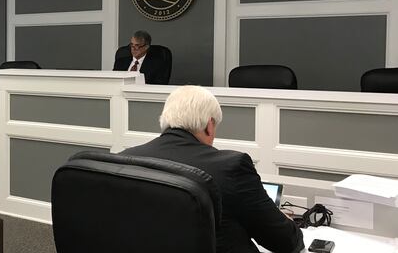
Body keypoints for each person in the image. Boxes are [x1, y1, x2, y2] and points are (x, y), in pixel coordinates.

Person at [120, 86, 304, 253]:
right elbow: (285, 241)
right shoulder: (231, 166)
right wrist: (282, 219)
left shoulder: (126, 159)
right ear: (209, 125)